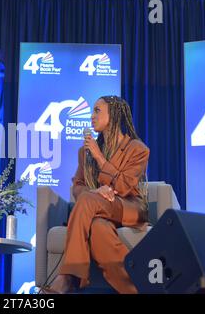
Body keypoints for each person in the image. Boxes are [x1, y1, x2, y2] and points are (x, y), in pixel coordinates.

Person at [42, 95, 149, 294]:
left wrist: (99, 157)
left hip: (129, 207)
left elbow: (125, 186)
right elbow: (78, 186)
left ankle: (67, 276)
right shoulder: (85, 152)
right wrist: (95, 192)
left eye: (97, 111)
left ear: (115, 115)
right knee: (99, 229)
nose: (92, 116)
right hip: (97, 210)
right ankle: (135, 289)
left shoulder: (138, 149)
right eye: (92, 111)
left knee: (89, 200)